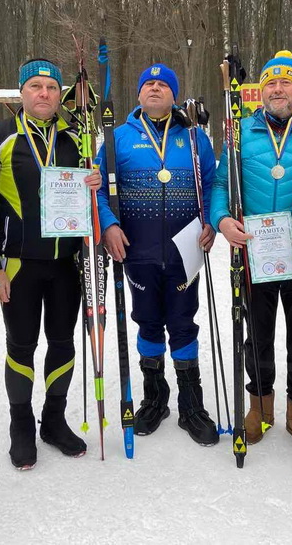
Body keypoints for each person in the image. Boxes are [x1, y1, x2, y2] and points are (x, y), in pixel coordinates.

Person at [0, 58, 102, 470]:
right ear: (22, 92)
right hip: (19, 265)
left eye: (50, 87)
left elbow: (91, 200)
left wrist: (94, 181)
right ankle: (21, 424)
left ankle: (54, 421)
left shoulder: (77, 137)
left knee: (63, 342)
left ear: (59, 93)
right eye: (35, 87)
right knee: (21, 346)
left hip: (66, 264)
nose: (43, 94)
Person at [211, 50, 292, 452]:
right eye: (270, 82)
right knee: (257, 337)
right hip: (255, 254)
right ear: (259, 91)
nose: (278, 89)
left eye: (287, 82)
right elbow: (220, 185)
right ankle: (259, 407)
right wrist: (222, 220)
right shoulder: (240, 131)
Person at [95, 64, 219, 446]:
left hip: (186, 250)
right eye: (148, 83)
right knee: (147, 322)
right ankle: (154, 398)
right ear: (138, 94)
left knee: (183, 323)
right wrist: (109, 225)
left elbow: (214, 185)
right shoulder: (118, 139)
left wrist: (213, 219)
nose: (154, 88)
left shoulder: (195, 138)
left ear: (174, 95)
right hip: (138, 250)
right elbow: (97, 188)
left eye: (163, 85)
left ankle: (192, 404)